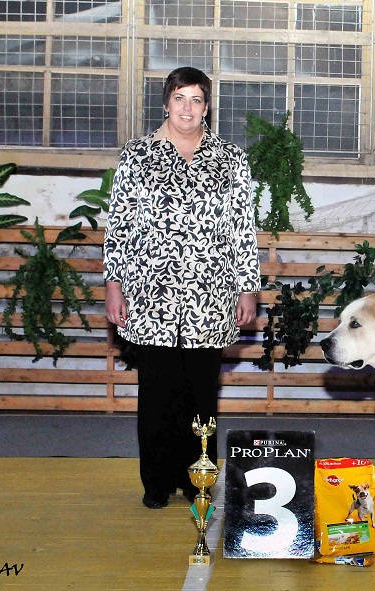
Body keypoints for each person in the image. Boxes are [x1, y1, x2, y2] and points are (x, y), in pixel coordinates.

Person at [104, 67, 261, 509]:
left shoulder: (231, 159)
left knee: (200, 396)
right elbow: (119, 225)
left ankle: (197, 480)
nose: (187, 108)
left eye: (195, 99)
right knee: (156, 394)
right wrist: (114, 284)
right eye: (179, 98)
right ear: (165, 103)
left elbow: (242, 228)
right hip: (149, 296)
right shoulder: (137, 155)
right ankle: (156, 482)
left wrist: (247, 288)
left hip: (210, 297)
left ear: (207, 107)